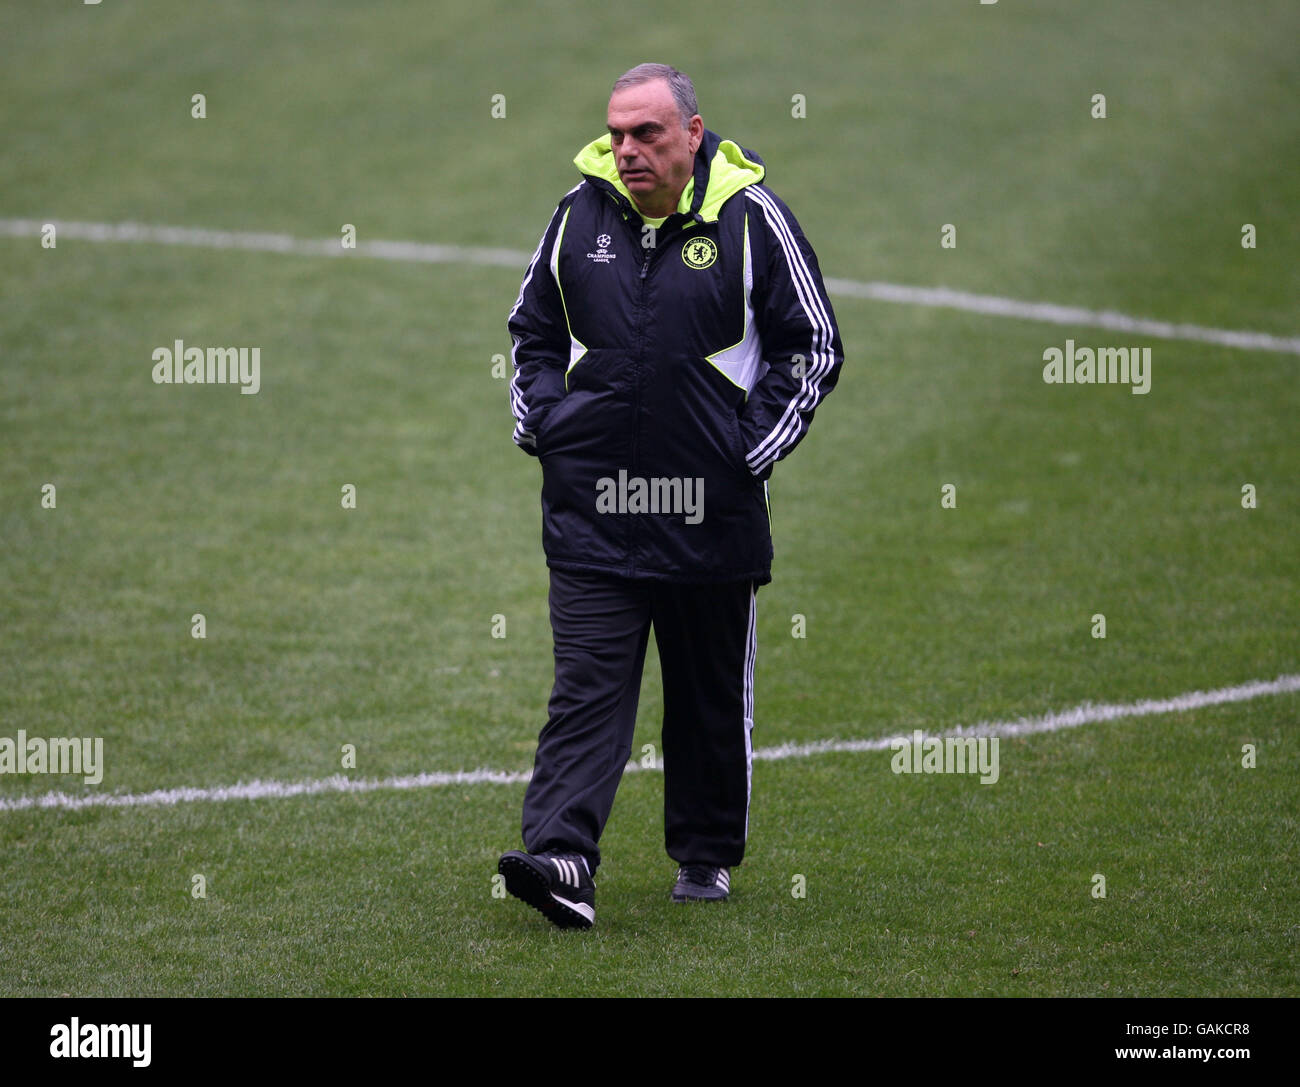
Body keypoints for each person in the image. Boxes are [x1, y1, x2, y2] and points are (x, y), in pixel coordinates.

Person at [499, 63, 844, 929]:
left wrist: (746, 454)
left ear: (692, 133)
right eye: (616, 133)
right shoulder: (577, 219)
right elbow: (531, 332)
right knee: (585, 692)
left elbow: (814, 345)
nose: (626, 151)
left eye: (647, 134)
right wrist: (545, 422)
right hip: (594, 513)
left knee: (707, 696)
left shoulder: (751, 219)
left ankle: (703, 853)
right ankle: (563, 858)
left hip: (707, 517)